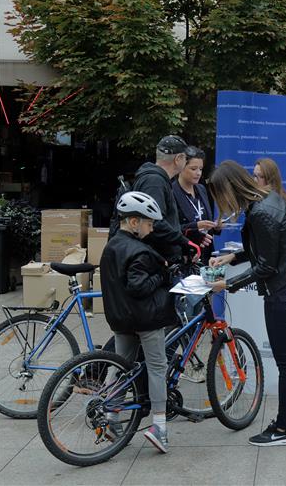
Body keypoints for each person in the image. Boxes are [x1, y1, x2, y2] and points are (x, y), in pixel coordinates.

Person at [207, 161, 286, 446]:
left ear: (229, 189)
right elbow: (269, 249)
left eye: (219, 196)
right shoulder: (268, 199)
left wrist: (227, 284)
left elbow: (266, 265)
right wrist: (232, 258)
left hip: (285, 292)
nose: (220, 203)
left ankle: (283, 430)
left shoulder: (261, 211)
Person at [100, 191, 176, 453]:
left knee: (120, 366)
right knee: (157, 366)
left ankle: (111, 417)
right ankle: (159, 427)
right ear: (134, 222)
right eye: (149, 223)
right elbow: (139, 286)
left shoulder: (111, 246)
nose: (152, 228)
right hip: (146, 319)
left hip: (120, 318)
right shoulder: (141, 252)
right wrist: (163, 275)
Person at [130, 135, 196, 263]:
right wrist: (183, 242)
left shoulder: (157, 180)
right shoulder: (154, 182)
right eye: (186, 158)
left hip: (158, 258)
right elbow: (154, 222)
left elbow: (163, 222)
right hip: (156, 261)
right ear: (178, 159)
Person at [172, 146, 220, 266]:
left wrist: (215, 226)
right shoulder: (171, 192)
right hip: (186, 257)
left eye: (200, 169)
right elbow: (169, 229)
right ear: (181, 167)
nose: (198, 173)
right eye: (193, 169)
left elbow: (204, 221)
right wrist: (195, 227)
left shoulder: (201, 189)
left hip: (207, 255)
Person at [254, 157, 286, 239]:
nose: (255, 180)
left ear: (271, 179)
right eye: (254, 176)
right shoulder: (255, 202)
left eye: (260, 176)